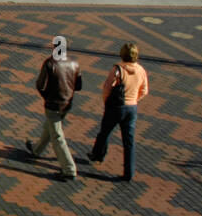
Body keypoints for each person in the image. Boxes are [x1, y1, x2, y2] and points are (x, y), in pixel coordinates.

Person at [88, 42, 149, 181]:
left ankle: (97, 155)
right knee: (129, 142)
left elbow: (107, 88)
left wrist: (106, 102)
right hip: (132, 108)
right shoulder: (141, 70)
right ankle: (129, 173)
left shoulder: (118, 69)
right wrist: (135, 99)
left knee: (105, 132)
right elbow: (145, 90)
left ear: (122, 54)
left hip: (116, 107)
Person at [25, 39, 82, 181]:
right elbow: (79, 86)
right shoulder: (74, 64)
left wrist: (46, 97)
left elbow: (40, 85)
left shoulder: (50, 63)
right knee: (51, 126)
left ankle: (69, 169)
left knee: (57, 136)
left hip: (53, 105)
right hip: (67, 104)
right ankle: (36, 149)